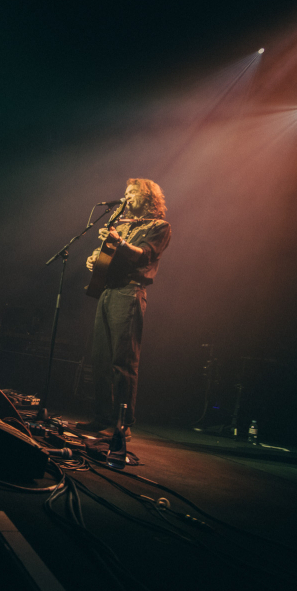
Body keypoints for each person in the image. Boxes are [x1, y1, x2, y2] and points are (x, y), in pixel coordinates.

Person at [79, 178, 171, 438]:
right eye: (126, 192)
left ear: (148, 198)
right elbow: (107, 255)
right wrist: (95, 259)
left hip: (130, 292)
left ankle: (123, 423)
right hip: (107, 291)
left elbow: (144, 255)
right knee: (100, 359)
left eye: (132, 193)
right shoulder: (121, 223)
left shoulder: (160, 227)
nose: (126, 197)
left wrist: (118, 242)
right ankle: (102, 417)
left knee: (123, 361)